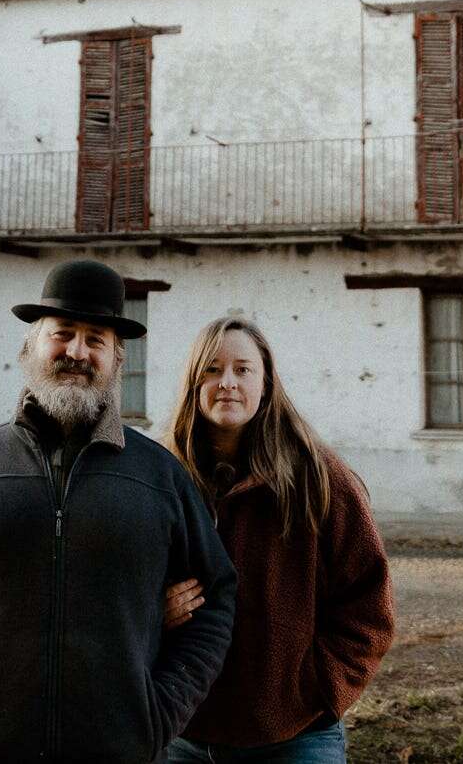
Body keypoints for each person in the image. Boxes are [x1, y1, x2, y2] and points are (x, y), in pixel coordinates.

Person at [0, 258, 239, 763]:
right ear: (30, 346)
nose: (77, 351)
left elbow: (216, 597)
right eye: (62, 333)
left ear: (118, 359)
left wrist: (159, 713)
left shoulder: (159, 478)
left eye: (96, 339)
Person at [159, 317, 395, 762]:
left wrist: (320, 688)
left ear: (266, 383)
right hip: (182, 732)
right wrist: (154, 611)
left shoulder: (319, 477)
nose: (227, 382)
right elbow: (119, 585)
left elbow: (369, 602)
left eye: (242, 369)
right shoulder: (162, 476)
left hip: (296, 737)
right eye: (212, 369)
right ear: (193, 382)